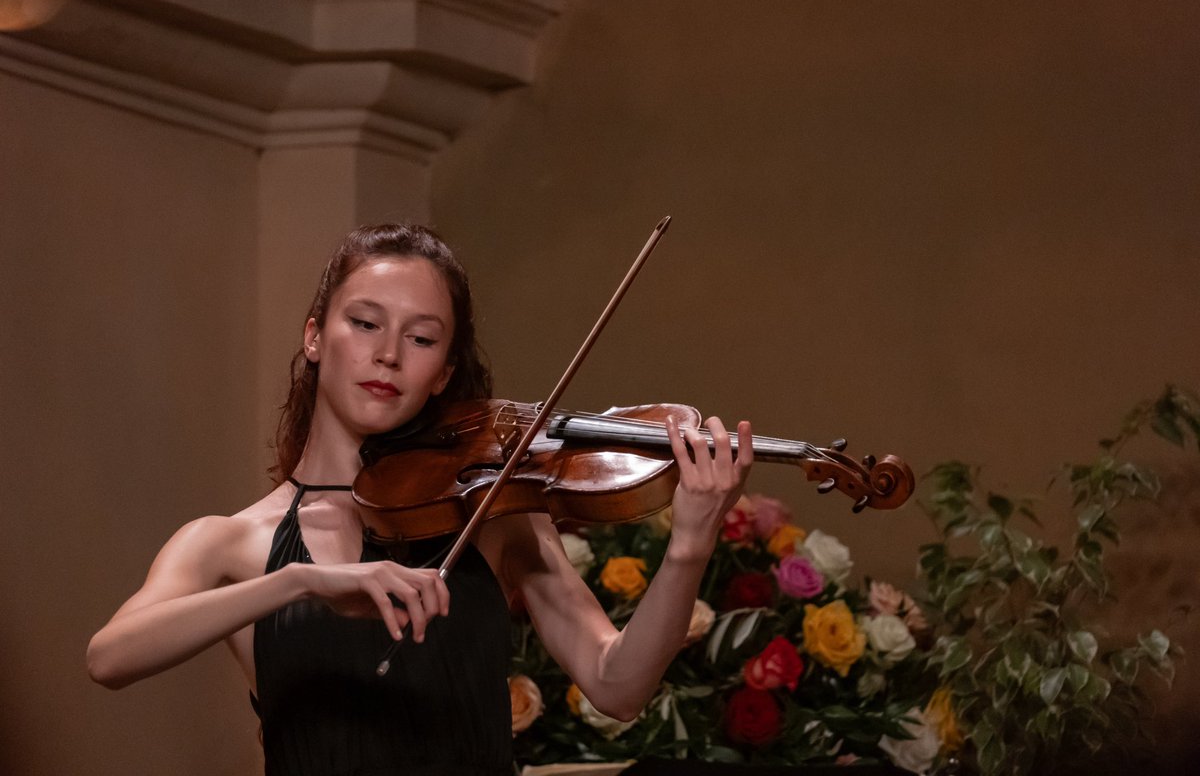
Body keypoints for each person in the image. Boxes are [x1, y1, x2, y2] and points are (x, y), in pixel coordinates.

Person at [87, 223, 754, 775]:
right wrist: (300, 582)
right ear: (314, 336)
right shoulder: (231, 542)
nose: (388, 355)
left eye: (422, 338)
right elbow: (110, 657)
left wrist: (690, 544)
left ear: (442, 375)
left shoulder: (494, 518)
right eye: (365, 323)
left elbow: (619, 685)